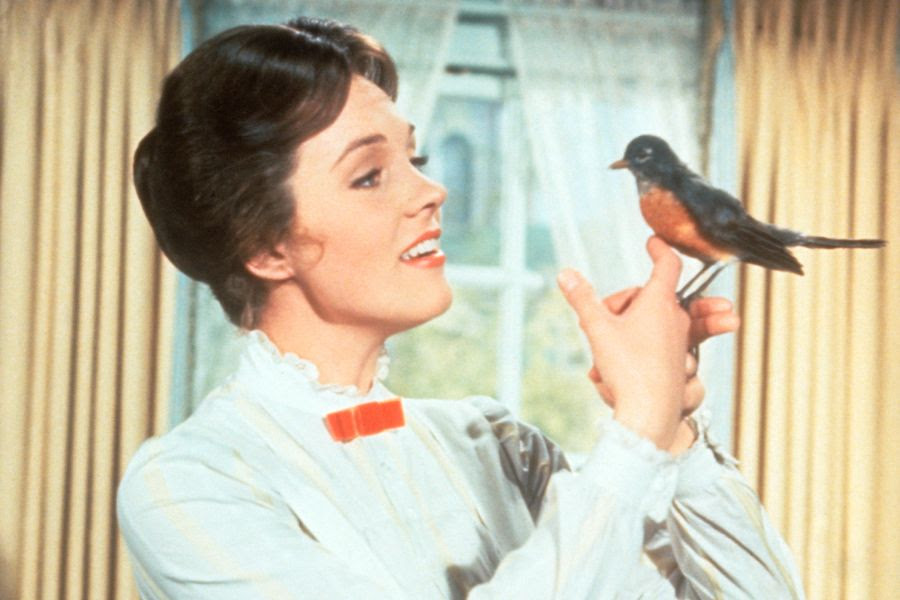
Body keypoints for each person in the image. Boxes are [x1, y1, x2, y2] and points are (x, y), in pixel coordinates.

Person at [118, 17, 804, 599]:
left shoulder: (496, 444)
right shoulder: (189, 484)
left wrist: (670, 426)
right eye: (369, 176)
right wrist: (635, 434)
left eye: (414, 159)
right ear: (266, 249)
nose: (432, 191)